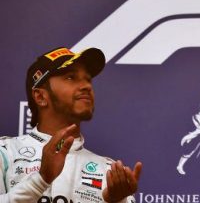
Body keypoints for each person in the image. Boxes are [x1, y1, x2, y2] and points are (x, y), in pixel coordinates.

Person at [0, 47, 142, 203]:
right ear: (40, 97)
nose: (86, 86)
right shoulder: (5, 153)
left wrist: (115, 201)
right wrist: (41, 180)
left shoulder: (109, 171)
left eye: (88, 79)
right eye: (70, 78)